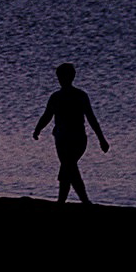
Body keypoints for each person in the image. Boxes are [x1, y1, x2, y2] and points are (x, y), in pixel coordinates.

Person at [31, 62, 108, 203]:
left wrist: (101, 139)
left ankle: (79, 201)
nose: (61, 79)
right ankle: (67, 201)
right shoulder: (56, 97)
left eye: (63, 76)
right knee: (68, 168)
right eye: (59, 77)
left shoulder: (80, 96)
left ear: (71, 77)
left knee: (68, 167)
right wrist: (38, 129)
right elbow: (47, 115)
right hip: (61, 139)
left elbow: (91, 118)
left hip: (77, 139)